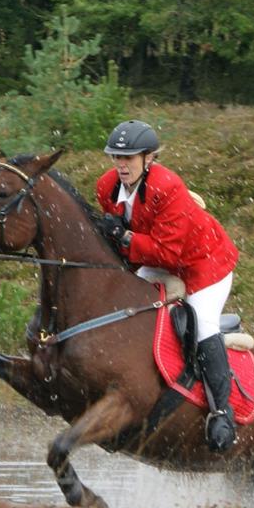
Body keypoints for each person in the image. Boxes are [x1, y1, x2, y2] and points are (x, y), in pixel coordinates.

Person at [95, 120, 240, 453]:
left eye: (129, 157)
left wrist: (125, 236)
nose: (121, 164)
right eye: (117, 156)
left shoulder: (168, 186)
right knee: (126, 312)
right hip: (158, 262)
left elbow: (167, 251)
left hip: (204, 265)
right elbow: (133, 251)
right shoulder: (106, 187)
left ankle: (221, 413)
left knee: (202, 324)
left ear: (149, 158)